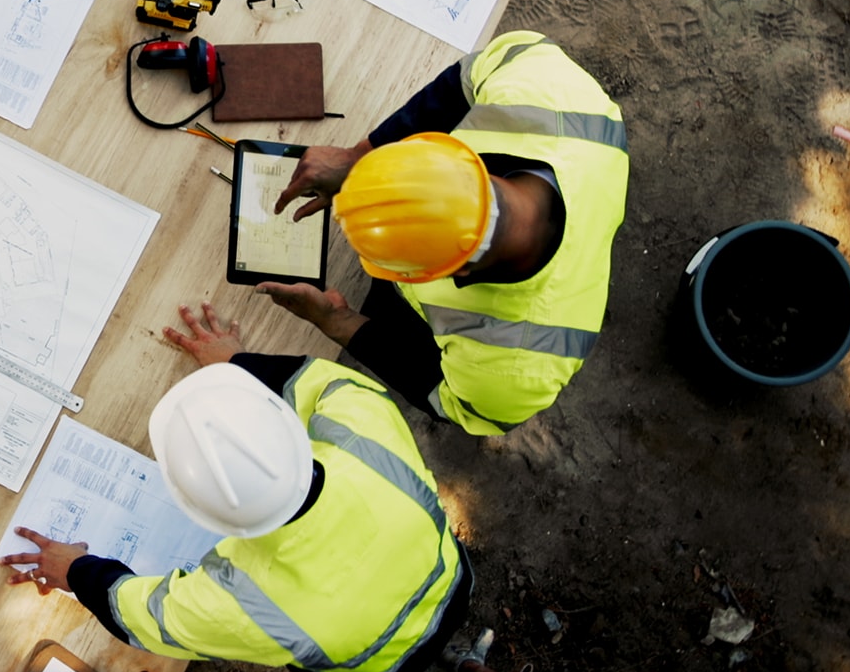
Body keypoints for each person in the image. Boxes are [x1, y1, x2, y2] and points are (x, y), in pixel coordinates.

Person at [0, 303, 470, 672]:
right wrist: (237, 365)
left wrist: (74, 570)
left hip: (378, 668)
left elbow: (146, 618)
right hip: (451, 582)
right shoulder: (362, 431)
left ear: (206, 517)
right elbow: (321, 382)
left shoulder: (250, 603)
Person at [259, 30, 630, 434]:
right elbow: (466, 79)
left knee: (384, 315)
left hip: (482, 340)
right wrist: (360, 158)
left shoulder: (511, 369)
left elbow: (448, 400)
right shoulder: (547, 87)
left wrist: (338, 320)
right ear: (463, 158)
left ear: (454, 275)